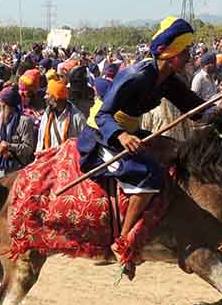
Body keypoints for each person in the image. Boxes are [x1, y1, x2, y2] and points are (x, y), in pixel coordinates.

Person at [76, 17, 207, 279]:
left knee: (177, 151)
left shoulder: (167, 79)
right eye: (185, 53)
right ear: (170, 55)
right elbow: (104, 115)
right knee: (148, 173)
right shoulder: (135, 76)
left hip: (132, 130)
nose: (190, 58)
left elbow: (193, 107)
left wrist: (220, 109)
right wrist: (122, 137)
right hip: (102, 134)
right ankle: (123, 242)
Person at [0, 85, 38, 173]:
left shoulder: (24, 121)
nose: (0, 105)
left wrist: (9, 146)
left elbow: (28, 149)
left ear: (4, 104)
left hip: (18, 169)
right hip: (1, 168)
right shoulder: (1, 119)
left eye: (2, 102)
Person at [36, 79, 86, 154]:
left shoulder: (77, 118)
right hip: (49, 160)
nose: (45, 97)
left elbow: (84, 144)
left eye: (48, 94)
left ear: (56, 98)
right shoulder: (47, 114)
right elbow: (40, 141)